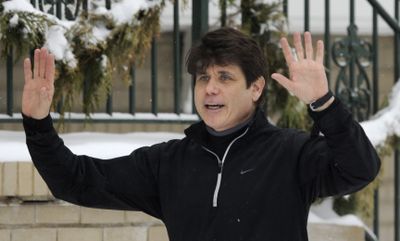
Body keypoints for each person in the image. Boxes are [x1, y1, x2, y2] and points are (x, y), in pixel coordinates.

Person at [22, 27, 380, 241]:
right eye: (204, 78)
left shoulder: (291, 154)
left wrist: (324, 103)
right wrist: (38, 124)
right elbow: (76, 182)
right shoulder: (167, 162)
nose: (210, 89)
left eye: (225, 77)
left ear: (256, 89)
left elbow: (359, 168)